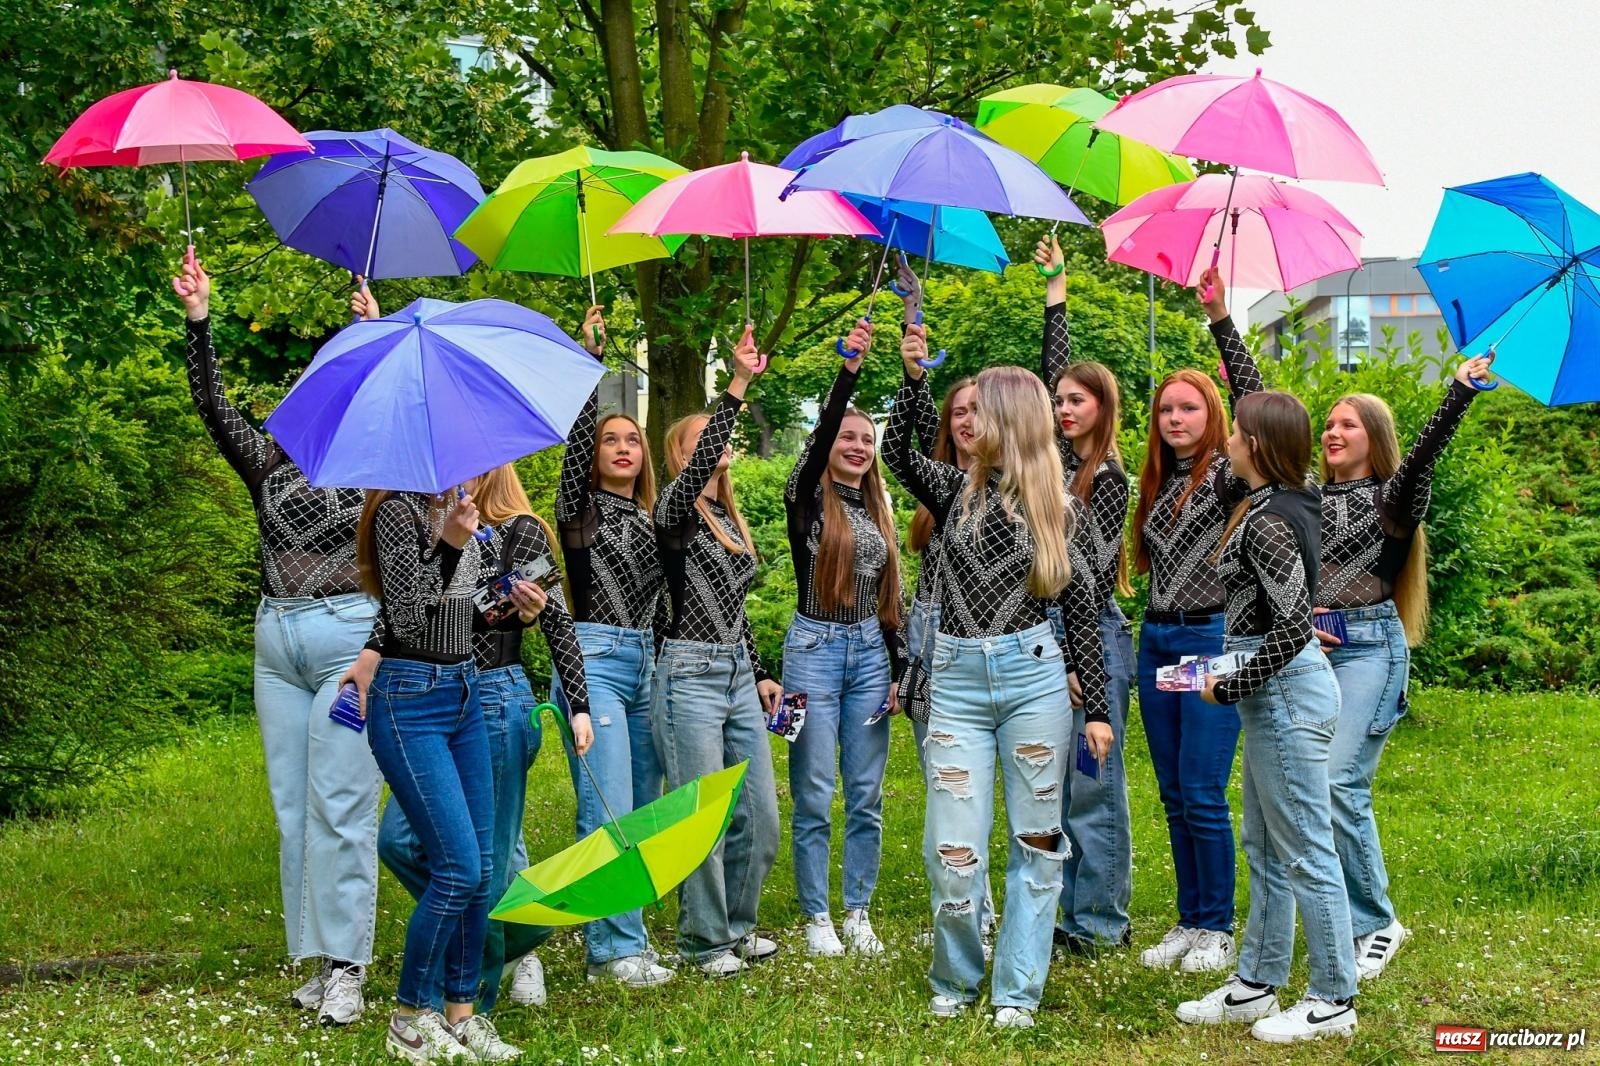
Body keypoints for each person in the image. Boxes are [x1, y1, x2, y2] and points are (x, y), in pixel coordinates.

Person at [1199, 269, 1493, 982]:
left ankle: (1376, 922)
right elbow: (1260, 413)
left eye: (1347, 422)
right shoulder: (1300, 494)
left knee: (1335, 785)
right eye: (1328, 422)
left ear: (1374, 437)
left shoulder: (1395, 497)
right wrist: (1221, 321)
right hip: (1303, 653)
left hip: (1368, 651)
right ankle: (1310, 930)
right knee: (1287, 798)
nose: (1331, 430)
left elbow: (1425, 456)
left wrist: (1455, 393)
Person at [174, 256, 381, 1025]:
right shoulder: (267, 461)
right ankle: (314, 961)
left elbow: (398, 394)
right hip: (277, 641)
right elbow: (212, 405)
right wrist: (200, 319)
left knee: (341, 804)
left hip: (346, 639)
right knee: (294, 810)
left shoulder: (372, 463)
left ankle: (348, 967)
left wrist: (373, 331)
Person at [884, 333, 1110, 1031]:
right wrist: (913, 375)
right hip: (955, 680)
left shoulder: (1058, 509)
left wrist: (1096, 708)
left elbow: (1082, 613)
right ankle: (955, 978)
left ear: (1009, 419)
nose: (966, 422)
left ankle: (1017, 991)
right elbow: (897, 453)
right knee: (953, 851)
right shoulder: (953, 491)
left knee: (1039, 843)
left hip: (1032, 680)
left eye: (979, 409)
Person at [362, 463, 593, 1021]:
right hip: (433, 692)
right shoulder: (422, 515)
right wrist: (372, 650)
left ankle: (471, 1006)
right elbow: (414, 615)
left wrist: (577, 701)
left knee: (480, 865)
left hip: (488, 696)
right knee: (411, 845)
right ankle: (501, 941)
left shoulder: (516, 529)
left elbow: (528, 617)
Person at [1176, 388, 1359, 1043]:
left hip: (1281, 688)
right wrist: (1224, 321)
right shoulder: (1284, 495)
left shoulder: (1273, 518)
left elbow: (1289, 627)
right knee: (1265, 847)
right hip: (1273, 689)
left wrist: (1231, 687)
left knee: (1306, 850)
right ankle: (1255, 984)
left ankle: (1335, 998)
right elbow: (1269, 405)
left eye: (1236, 433)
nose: (1224, 441)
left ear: (1255, 444)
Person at [651, 329, 782, 977]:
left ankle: (735, 927)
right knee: (703, 814)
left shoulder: (731, 521)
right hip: (687, 676)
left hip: (731, 671)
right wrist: (737, 384)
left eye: (719, 432)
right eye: (702, 439)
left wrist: (757, 671)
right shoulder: (672, 513)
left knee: (760, 815)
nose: (717, 443)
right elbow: (700, 467)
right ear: (681, 457)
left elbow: (735, 605)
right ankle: (703, 941)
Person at [552, 305, 675, 988]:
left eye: (633, 439)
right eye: (611, 440)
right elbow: (572, 455)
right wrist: (589, 365)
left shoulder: (655, 519)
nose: (623, 447)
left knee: (642, 803)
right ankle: (611, 952)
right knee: (608, 805)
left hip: (644, 666)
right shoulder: (580, 514)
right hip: (591, 660)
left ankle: (624, 932)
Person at [1130, 329, 1258, 973]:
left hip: (1212, 638)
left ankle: (1217, 928)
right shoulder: (1157, 478)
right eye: (1166, 409)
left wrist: (1224, 330)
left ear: (1214, 415)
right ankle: (1189, 919)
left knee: (1204, 787)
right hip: (1157, 638)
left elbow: (1259, 409)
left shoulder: (1232, 476)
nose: (1175, 418)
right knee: (1174, 790)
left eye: (1189, 408)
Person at [783, 318, 903, 958]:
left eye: (867, 439)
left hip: (867, 655)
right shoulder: (804, 499)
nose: (857, 445)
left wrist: (898, 665)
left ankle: (857, 910)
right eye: (846, 437)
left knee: (865, 791)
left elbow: (890, 602)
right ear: (827, 445)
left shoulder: (877, 509)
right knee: (813, 789)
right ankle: (816, 916)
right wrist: (848, 370)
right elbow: (823, 434)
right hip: (811, 656)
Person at [1034, 236, 1136, 957]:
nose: (1064, 408)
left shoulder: (1110, 481)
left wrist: (1078, 660)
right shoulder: (1052, 466)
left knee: (1094, 784)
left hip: (1094, 632)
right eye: (1059, 400)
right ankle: (1063, 913)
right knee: (1054, 782)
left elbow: (1087, 576)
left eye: (1078, 400)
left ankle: (1098, 922)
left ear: (1103, 408)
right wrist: (1055, 295)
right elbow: (1044, 381)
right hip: (1044, 635)